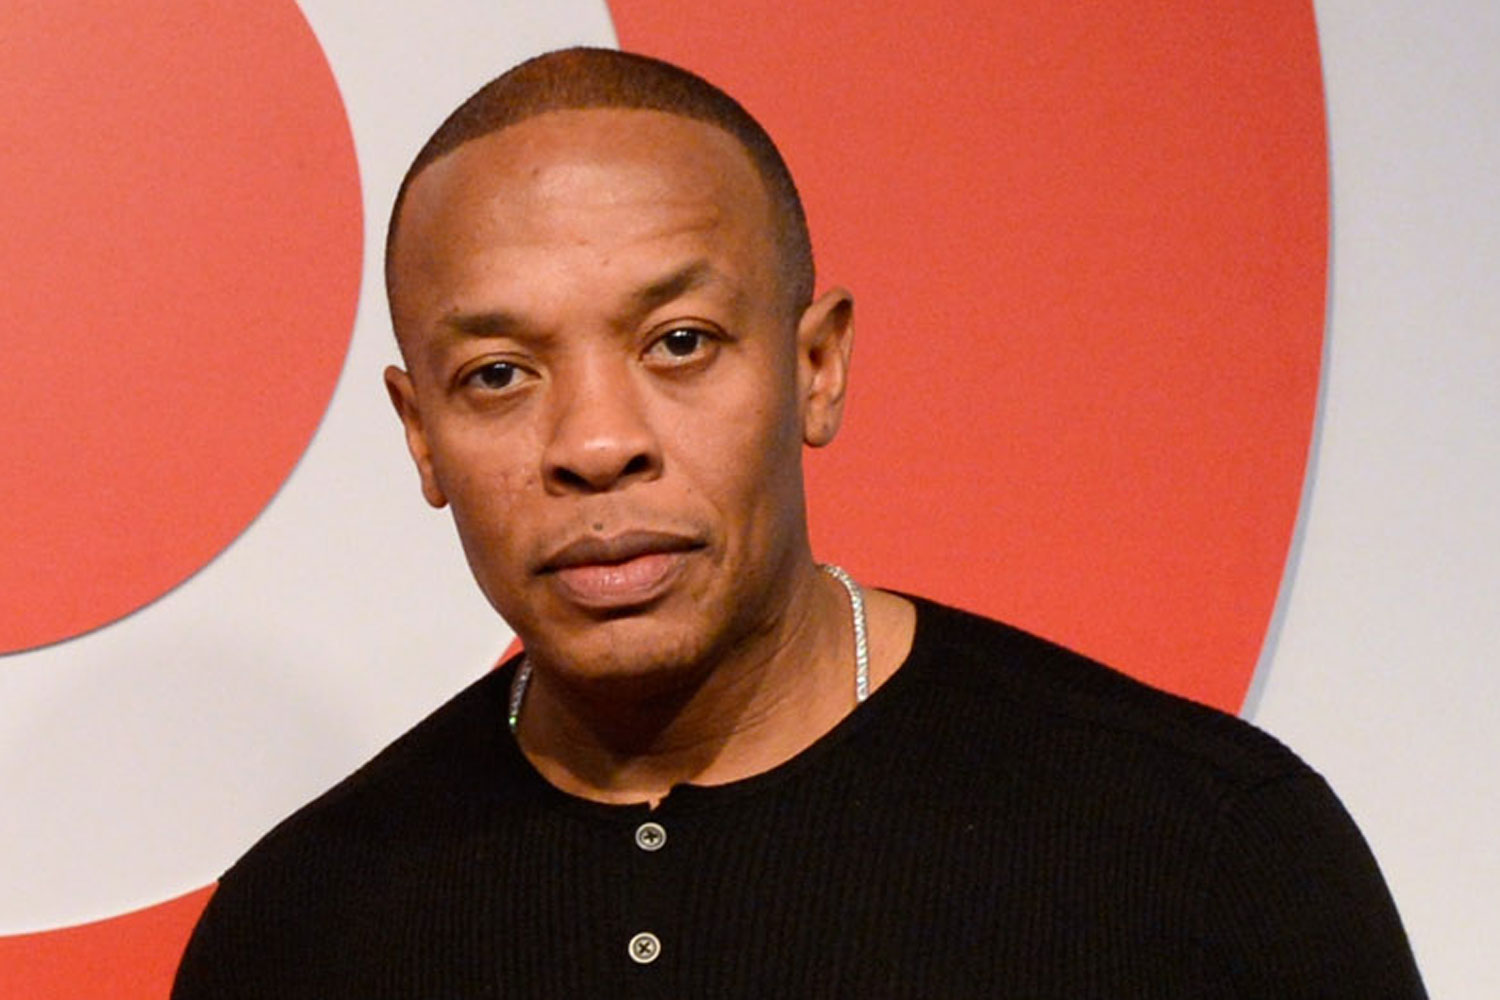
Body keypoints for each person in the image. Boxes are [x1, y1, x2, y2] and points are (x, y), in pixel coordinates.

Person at [172, 47, 1425, 997]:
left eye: (679, 343)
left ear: (816, 366)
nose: (597, 444)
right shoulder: (297, 932)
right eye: (499, 373)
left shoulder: (1204, 855)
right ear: (420, 434)